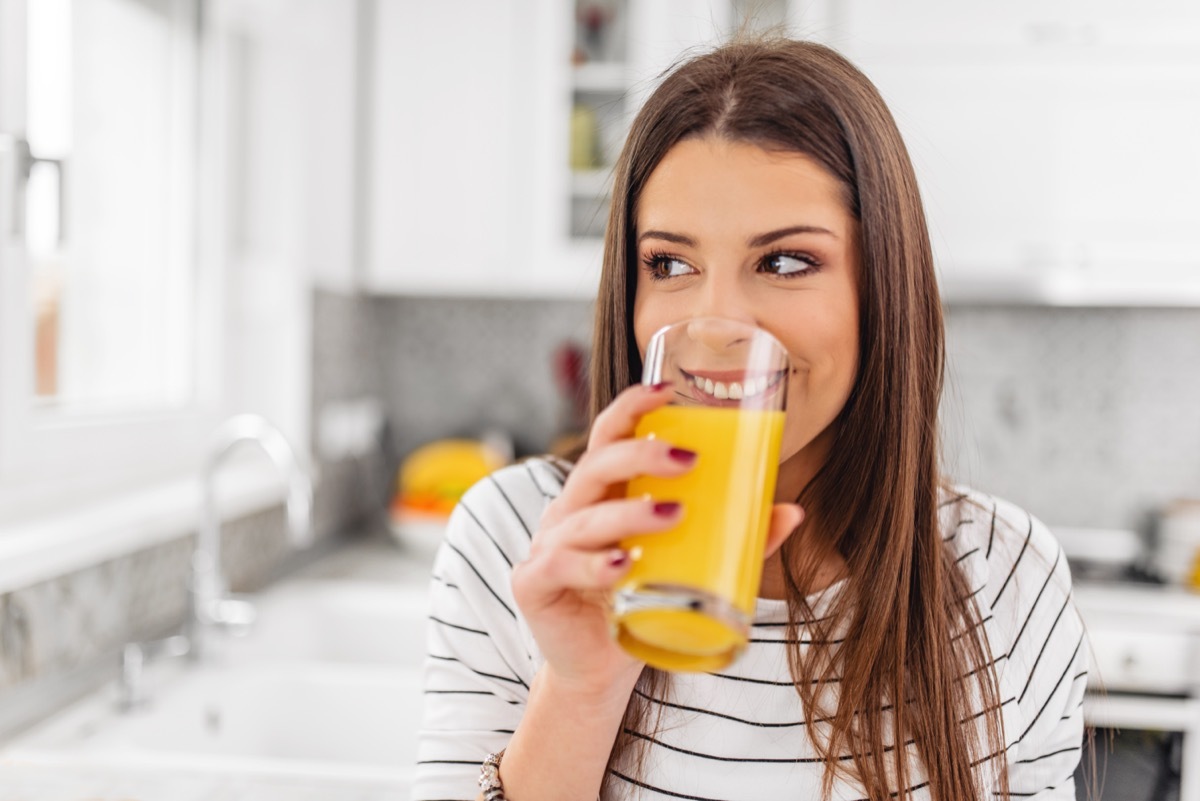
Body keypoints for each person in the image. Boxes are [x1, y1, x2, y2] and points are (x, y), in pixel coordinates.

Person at [413, 37, 1088, 801]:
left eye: (786, 261)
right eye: (669, 264)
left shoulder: (1009, 576)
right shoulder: (515, 542)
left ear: (882, 288)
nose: (718, 324)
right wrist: (580, 690)